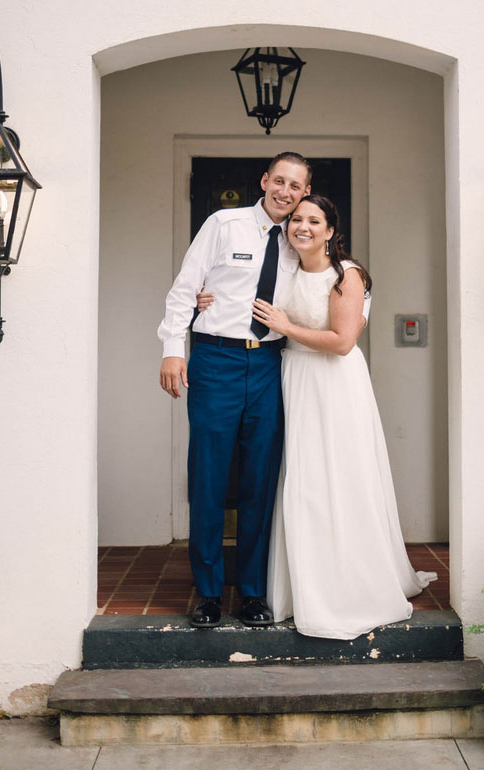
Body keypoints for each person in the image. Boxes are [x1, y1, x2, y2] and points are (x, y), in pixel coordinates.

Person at [251, 195, 437, 640]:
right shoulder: (284, 268)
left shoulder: (346, 276)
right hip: (294, 378)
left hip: (334, 383)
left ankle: (348, 587)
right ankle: (301, 586)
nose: (303, 226)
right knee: (303, 480)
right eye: (297, 219)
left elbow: (342, 342)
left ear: (331, 231)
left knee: (338, 476)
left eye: (314, 221)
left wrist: (285, 325)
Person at [158, 152, 312, 628]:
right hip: (216, 358)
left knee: (259, 482)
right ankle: (207, 591)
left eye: (296, 186)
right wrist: (172, 347)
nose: (286, 192)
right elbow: (187, 287)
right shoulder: (223, 223)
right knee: (208, 475)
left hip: (268, 363)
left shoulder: (300, 241)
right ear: (265, 181)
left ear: (304, 193)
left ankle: (250, 591)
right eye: (279, 181)